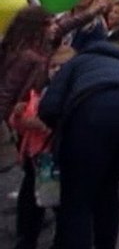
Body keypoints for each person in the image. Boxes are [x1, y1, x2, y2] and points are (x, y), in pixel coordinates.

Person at [38, 41, 119, 249]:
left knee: (77, 198)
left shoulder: (78, 61)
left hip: (95, 111)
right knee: (108, 185)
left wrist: (62, 134)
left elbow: (49, 107)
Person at [8, 44, 74, 249]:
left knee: (59, 204)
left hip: (57, 160)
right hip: (34, 159)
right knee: (31, 203)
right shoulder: (38, 91)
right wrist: (18, 116)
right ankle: (26, 239)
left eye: (62, 66)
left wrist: (39, 124)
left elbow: (64, 127)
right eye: (53, 65)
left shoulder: (74, 94)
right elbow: (18, 123)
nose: (56, 70)